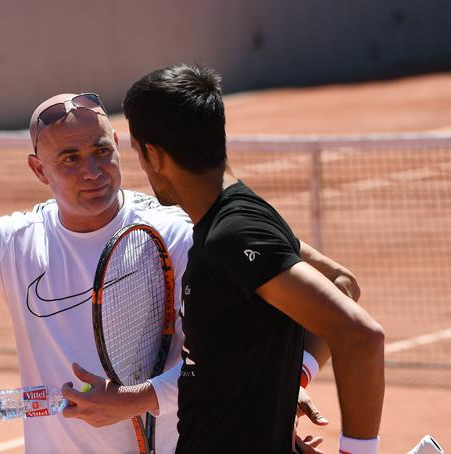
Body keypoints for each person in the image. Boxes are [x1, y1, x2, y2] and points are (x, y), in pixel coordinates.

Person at [0, 92, 355, 453]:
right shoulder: (13, 240)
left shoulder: (180, 232)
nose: (93, 170)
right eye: (69, 158)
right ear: (38, 169)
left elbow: (333, 290)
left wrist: (287, 385)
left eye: (101, 151)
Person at [122, 64, 385, 453]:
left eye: (137, 153)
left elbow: (361, 335)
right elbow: (340, 283)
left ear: (154, 156)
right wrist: (291, 385)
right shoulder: (245, 214)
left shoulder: (233, 233)